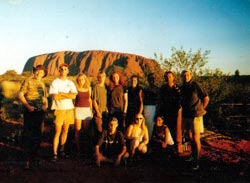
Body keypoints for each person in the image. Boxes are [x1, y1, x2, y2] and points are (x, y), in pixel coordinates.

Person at [18, 65, 48, 168]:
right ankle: (26, 160)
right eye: (37, 71)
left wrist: (45, 105)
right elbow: (20, 95)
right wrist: (28, 106)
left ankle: (33, 158)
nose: (39, 73)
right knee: (28, 134)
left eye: (41, 72)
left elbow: (44, 98)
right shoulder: (28, 81)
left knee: (38, 134)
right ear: (34, 72)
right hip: (30, 111)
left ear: (44, 74)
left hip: (40, 112)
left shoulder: (43, 84)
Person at [180, 69, 209, 170]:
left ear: (191, 75)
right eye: (184, 75)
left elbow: (206, 98)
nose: (186, 76)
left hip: (196, 115)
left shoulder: (195, 85)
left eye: (187, 75)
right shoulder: (183, 87)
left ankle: (197, 161)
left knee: (196, 138)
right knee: (189, 136)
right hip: (186, 115)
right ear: (182, 77)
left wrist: (202, 109)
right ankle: (193, 155)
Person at [49, 63, 77, 161]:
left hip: (69, 109)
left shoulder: (70, 82)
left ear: (68, 71)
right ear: (59, 70)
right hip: (59, 109)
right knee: (57, 131)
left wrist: (62, 93)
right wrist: (67, 95)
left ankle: (62, 150)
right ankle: (54, 153)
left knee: (65, 130)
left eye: (65, 69)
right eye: (61, 69)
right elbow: (55, 97)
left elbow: (73, 96)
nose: (63, 70)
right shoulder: (55, 82)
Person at [159, 71, 182, 154]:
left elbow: (181, 101)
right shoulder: (163, 88)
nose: (168, 78)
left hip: (175, 112)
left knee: (176, 131)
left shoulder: (178, 88)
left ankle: (178, 149)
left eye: (170, 76)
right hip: (166, 112)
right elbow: (160, 100)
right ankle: (168, 149)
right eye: (166, 77)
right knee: (166, 130)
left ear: (173, 77)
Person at [74, 73, 93, 158]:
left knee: (86, 131)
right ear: (77, 81)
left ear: (85, 80)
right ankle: (78, 150)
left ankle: (85, 149)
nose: (81, 81)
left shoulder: (89, 88)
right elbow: (73, 100)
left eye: (82, 79)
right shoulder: (75, 88)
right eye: (79, 80)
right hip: (78, 109)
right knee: (77, 130)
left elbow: (90, 100)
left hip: (87, 110)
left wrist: (91, 110)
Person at [143, 73, 160, 138]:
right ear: (147, 79)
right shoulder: (145, 89)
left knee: (153, 125)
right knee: (147, 125)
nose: (151, 80)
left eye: (153, 78)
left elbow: (159, 100)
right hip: (146, 108)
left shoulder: (158, 89)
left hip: (154, 108)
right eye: (150, 78)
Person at [92, 71, 108, 137]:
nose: (101, 78)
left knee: (105, 129)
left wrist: (106, 108)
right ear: (98, 78)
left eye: (103, 77)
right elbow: (94, 100)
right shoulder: (96, 87)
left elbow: (106, 99)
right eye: (100, 77)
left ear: (105, 77)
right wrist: (98, 112)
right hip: (98, 112)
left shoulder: (106, 87)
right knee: (99, 130)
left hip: (105, 112)